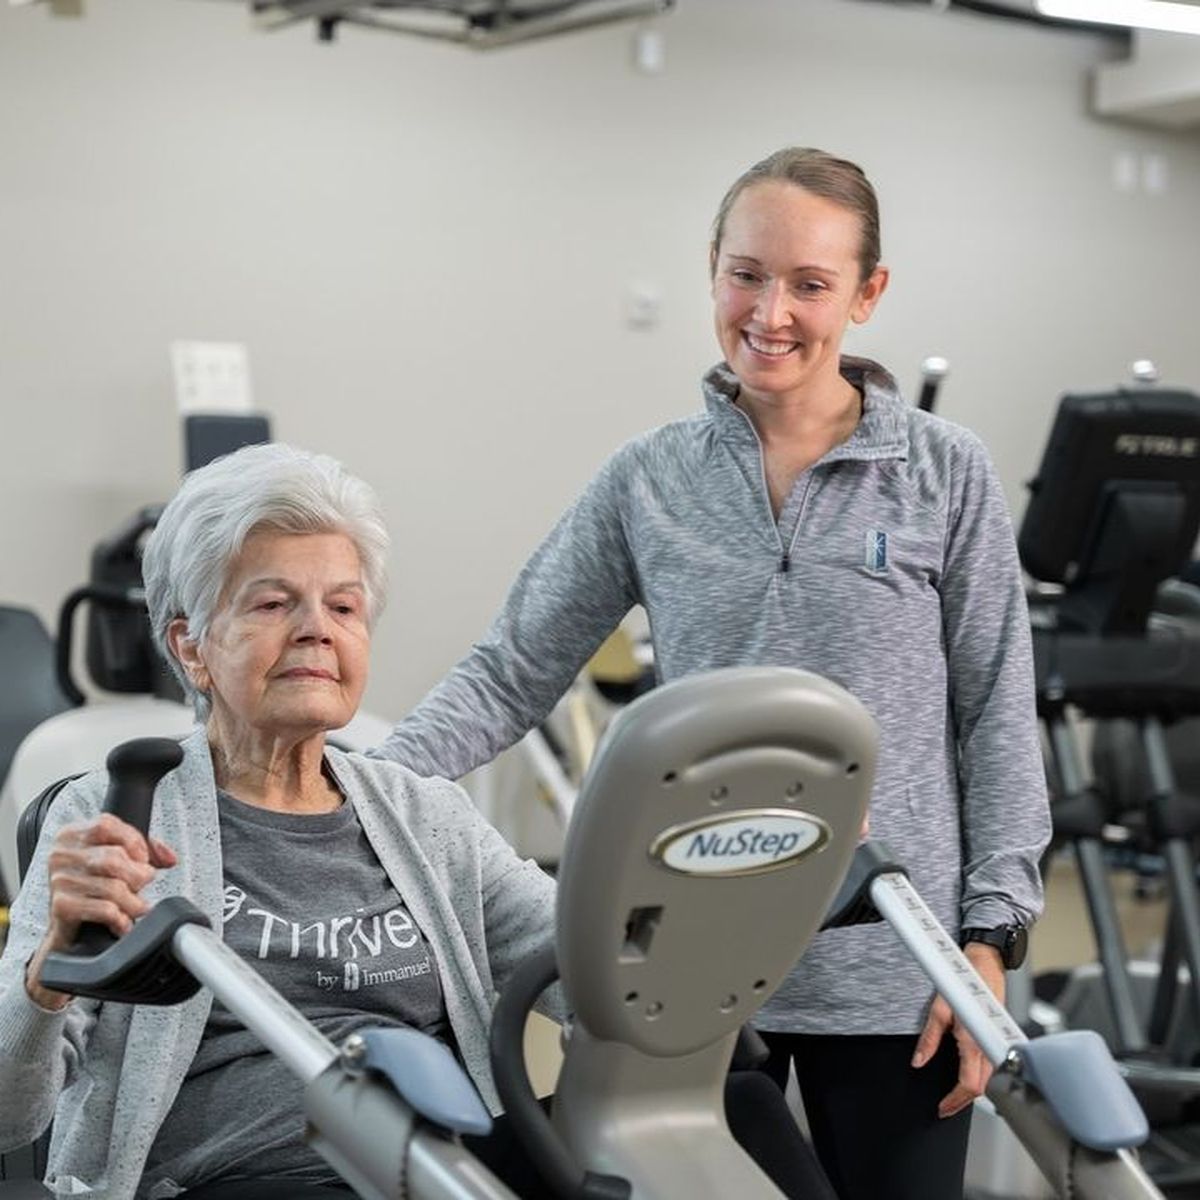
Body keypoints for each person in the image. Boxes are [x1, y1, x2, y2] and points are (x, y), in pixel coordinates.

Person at [375, 147, 1052, 1200]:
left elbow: (999, 715)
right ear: (712, 270)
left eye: (811, 284)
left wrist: (990, 937)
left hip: (895, 974)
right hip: (698, 966)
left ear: (868, 295)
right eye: (747, 274)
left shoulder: (944, 472)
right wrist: (357, 789)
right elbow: (510, 673)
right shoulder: (649, 480)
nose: (770, 312)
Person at [0, 444, 557, 1200]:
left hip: (437, 1160)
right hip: (243, 1177)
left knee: (731, 1109)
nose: (315, 630)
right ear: (190, 646)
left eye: (344, 606)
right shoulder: (113, 816)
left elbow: (587, 968)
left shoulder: (424, 813)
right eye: (271, 603)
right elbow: (8, 1116)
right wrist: (49, 978)